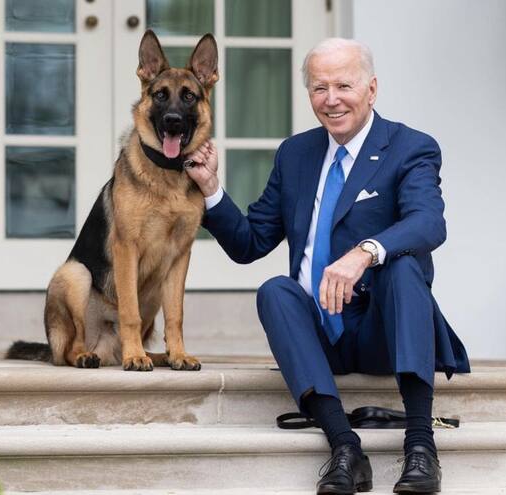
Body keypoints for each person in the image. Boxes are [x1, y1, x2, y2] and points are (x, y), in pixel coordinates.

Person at [186, 38, 470, 494]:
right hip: (319, 335)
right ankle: (344, 447)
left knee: (402, 268)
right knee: (275, 290)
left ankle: (421, 446)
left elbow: (428, 223)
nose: (331, 99)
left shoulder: (410, 147)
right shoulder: (295, 154)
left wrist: (364, 252)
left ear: (371, 89)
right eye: (320, 88)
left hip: (382, 330)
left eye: (343, 86)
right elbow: (249, 244)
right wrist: (210, 188)